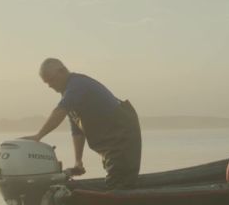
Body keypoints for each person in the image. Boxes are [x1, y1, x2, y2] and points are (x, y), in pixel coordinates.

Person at [23, 58, 142, 189]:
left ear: (62, 71)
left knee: (119, 182)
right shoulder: (67, 94)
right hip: (110, 142)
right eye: (46, 83)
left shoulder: (77, 85)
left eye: (51, 80)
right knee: (116, 178)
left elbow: (59, 111)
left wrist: (39, 136)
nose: (49, 85)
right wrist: (78, 161)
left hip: (122, 136)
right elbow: (77, 131)